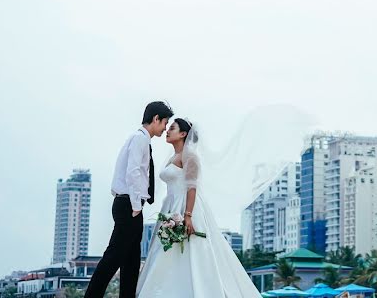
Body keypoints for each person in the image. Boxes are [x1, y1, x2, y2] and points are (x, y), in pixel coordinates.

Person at [137, 117, 262, 298]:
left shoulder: (190, 156)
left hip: (186, 206)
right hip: (170, 207)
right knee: (166, 253)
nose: (168, 131)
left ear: (183, 134)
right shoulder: (173, 157)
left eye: (172, 128)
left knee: (192, 251)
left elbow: (192, 187)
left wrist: (187, 215)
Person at [85, 101, 174, 298]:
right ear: (155, 119)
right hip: (129, 204)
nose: (165, 128)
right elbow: (133, 172)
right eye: (164, 123)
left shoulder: (141, 139)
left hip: (131, 204)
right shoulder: (139, 139)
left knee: (131, 262)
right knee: (114, 257)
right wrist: (135, 206)